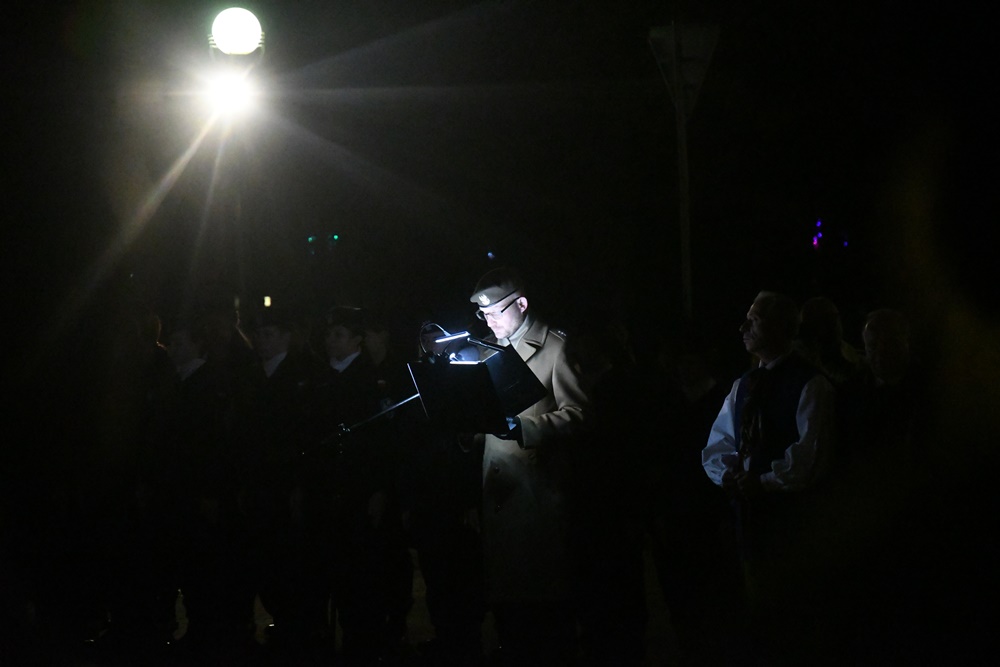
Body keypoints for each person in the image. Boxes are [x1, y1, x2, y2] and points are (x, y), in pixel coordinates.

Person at [701, 290, 836, 665]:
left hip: (790, 522)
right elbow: (720, 441)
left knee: (791, 614)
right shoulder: (744, 384)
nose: (743, 327)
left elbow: (810, 455)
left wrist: (762, 480)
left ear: (781, 328)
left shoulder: (811, 384)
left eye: (755, 320)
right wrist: (727, 474)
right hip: (750, 521)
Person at [466, 267, 588, 666]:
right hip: (497, 489)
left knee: (543, 601)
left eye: (495, 312)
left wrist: (526, 428)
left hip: (537, 491)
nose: (489, 321)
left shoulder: (555, 347)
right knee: (507, 600)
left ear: (521, 303)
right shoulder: (486, 349)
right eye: (483, 314)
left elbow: (579, 414)